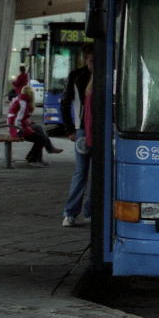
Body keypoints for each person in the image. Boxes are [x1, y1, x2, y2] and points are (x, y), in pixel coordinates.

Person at [61, 46, 94, 227]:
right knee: (88, 172)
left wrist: (70, 130)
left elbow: (65, 103)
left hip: (81, 130)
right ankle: (85, 211)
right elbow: (66, 103)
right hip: (85, 130)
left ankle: (72, 213)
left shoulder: (76, 75)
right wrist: (70, 129)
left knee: (81, 172)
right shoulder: (79, 77)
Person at [6, 84, 62, 166]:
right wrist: (27, 128)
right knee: (41, 139)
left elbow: (19, 117)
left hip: (15, 126)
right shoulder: (23, 103)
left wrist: (29, 123)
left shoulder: (21, 100)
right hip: (17, 129)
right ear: (31, 95)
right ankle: (33, 158)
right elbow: (19, 119)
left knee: (39, 128)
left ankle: (41, 156)